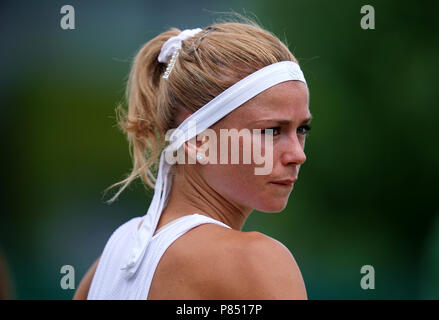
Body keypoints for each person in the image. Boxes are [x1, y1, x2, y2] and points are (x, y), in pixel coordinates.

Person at [74, 16, 312, 300]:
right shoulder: (257, 262)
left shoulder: (108, 263)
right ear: (197, 140)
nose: (298, 154)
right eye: (272, 131)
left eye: (302, 129)